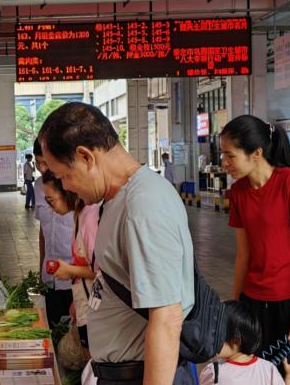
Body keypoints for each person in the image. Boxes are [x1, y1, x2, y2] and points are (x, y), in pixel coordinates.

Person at [38, 102, 195, 384]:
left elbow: (167, 317)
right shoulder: (113, 201)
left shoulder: (143, 204)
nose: (67, 187)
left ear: (86, 157)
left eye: (64, 176)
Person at [220, 116, 290, 385]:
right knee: (259, 378)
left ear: (256, 153)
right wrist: (235, 305)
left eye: (230, 156)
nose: (225, 163)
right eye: (223, 155)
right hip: (255, 303)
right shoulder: (238, 192)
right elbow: (244, 253)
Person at [42, 170, 99, 349]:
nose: (50, 207)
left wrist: (70, 270)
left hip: (97, 308)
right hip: (85, 300)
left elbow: (102, 270)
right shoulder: (80, 214)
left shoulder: (90, 218)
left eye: (51, 200)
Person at [199, 300, 290, 385]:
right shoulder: (268, 369)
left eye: (215, 335)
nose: (210, 339)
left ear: (236, 340)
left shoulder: (214, 373)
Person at [33, 138, 74, 327]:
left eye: (45, 162)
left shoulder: (74, 187)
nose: (41, 168)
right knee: (53, 325)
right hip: (50, 273)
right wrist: (42, 264)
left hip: (75, 274)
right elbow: (43, 230)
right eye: (37, 162)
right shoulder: (38, 186)